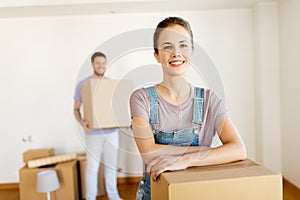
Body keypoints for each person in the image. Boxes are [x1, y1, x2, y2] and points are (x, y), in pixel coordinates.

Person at [130, 17, 247, 200]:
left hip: (195, 193)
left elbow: (238, 149)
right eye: (168, 46)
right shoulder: (141, 98)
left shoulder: (210, 100)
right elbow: (148, 153)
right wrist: (206, 152)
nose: (176, 53)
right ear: (157, 55)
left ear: (192, 51)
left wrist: (186, 160)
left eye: (183, 45)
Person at [74, 52, 123, 200]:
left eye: (103, 63)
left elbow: (116, 109)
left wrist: (123, 121)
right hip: (93, 134)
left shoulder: (111, 84)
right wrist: (83, 123)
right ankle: (90, 197)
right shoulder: (84, 84)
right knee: (92, 168)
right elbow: (76, 109)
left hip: (112, 133)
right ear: (92, 65)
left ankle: (113, 196)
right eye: (98, 63)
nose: (101, 66)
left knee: (111, 167)